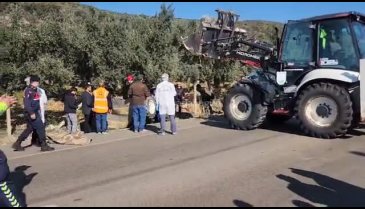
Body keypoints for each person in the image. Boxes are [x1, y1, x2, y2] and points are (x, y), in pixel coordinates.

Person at [12, 75, 55, 152]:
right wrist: (31, 113)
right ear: (31, 82)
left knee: (29, 129)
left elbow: (38, 101)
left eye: (37, 82)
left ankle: (17, 143)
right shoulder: (28, 90)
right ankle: (44, 145)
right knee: (41, 127)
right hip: (31, 113)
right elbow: (27, 103)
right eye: (34, 82)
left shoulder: (36, 91)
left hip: (36, 112)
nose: (36, 84)